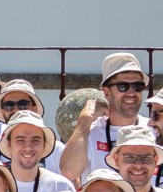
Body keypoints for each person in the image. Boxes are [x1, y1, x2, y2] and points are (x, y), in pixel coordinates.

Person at [61, 52, 152, 184]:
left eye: (137, 86)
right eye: (123, 86)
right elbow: (69, 171)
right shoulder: (90, 131)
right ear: (106, 92)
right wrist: (84, 121)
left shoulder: (152, 129)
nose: (131, 93)